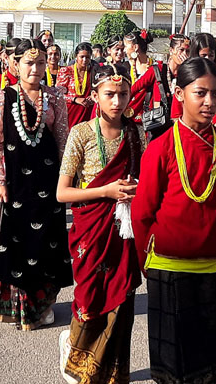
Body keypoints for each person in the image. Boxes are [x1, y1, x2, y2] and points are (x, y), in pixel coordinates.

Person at [132, 57, 216, 384]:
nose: (210, 102)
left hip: (213, 265)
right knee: (172, 356)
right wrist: (143, 260)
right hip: (169, 266)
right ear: (179, 93)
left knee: (211, 350)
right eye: (200, 93)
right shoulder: (161, 147)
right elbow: (142, 212)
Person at [56, 63, 145, 384]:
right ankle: (75, 350)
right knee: (90, 297)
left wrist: (136, 191)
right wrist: (106, 191)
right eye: (109, 94)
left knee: (122, 296)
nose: (117, 102)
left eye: (123, 94)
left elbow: (146, 180)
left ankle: (111, 370)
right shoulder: (81, 133)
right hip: (91, 229)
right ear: (95, 96)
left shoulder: (136, 133)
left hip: (124, 229)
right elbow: (62, 192)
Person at [0, 38, 71, 328]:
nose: (35, 68)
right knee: (14, 244)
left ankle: (42, 306)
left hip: (47, 181)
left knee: (45, 243)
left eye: (40, 63)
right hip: (14, 183)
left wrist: (66, 180)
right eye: (29, 63)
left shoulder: (54, 97)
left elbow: (62, 141)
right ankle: (14, 306)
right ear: (14, 65)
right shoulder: (1, 97)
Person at [58, 42, 96, 128]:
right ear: (76, 56)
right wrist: (75, 99)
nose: (85, 60)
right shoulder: (66, 71)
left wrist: (92, 96)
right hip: (70, 113)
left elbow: (98, 90)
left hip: (87, 113)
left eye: (87, 57)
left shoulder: (94, 72)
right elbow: (58, 95)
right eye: (82, 57)